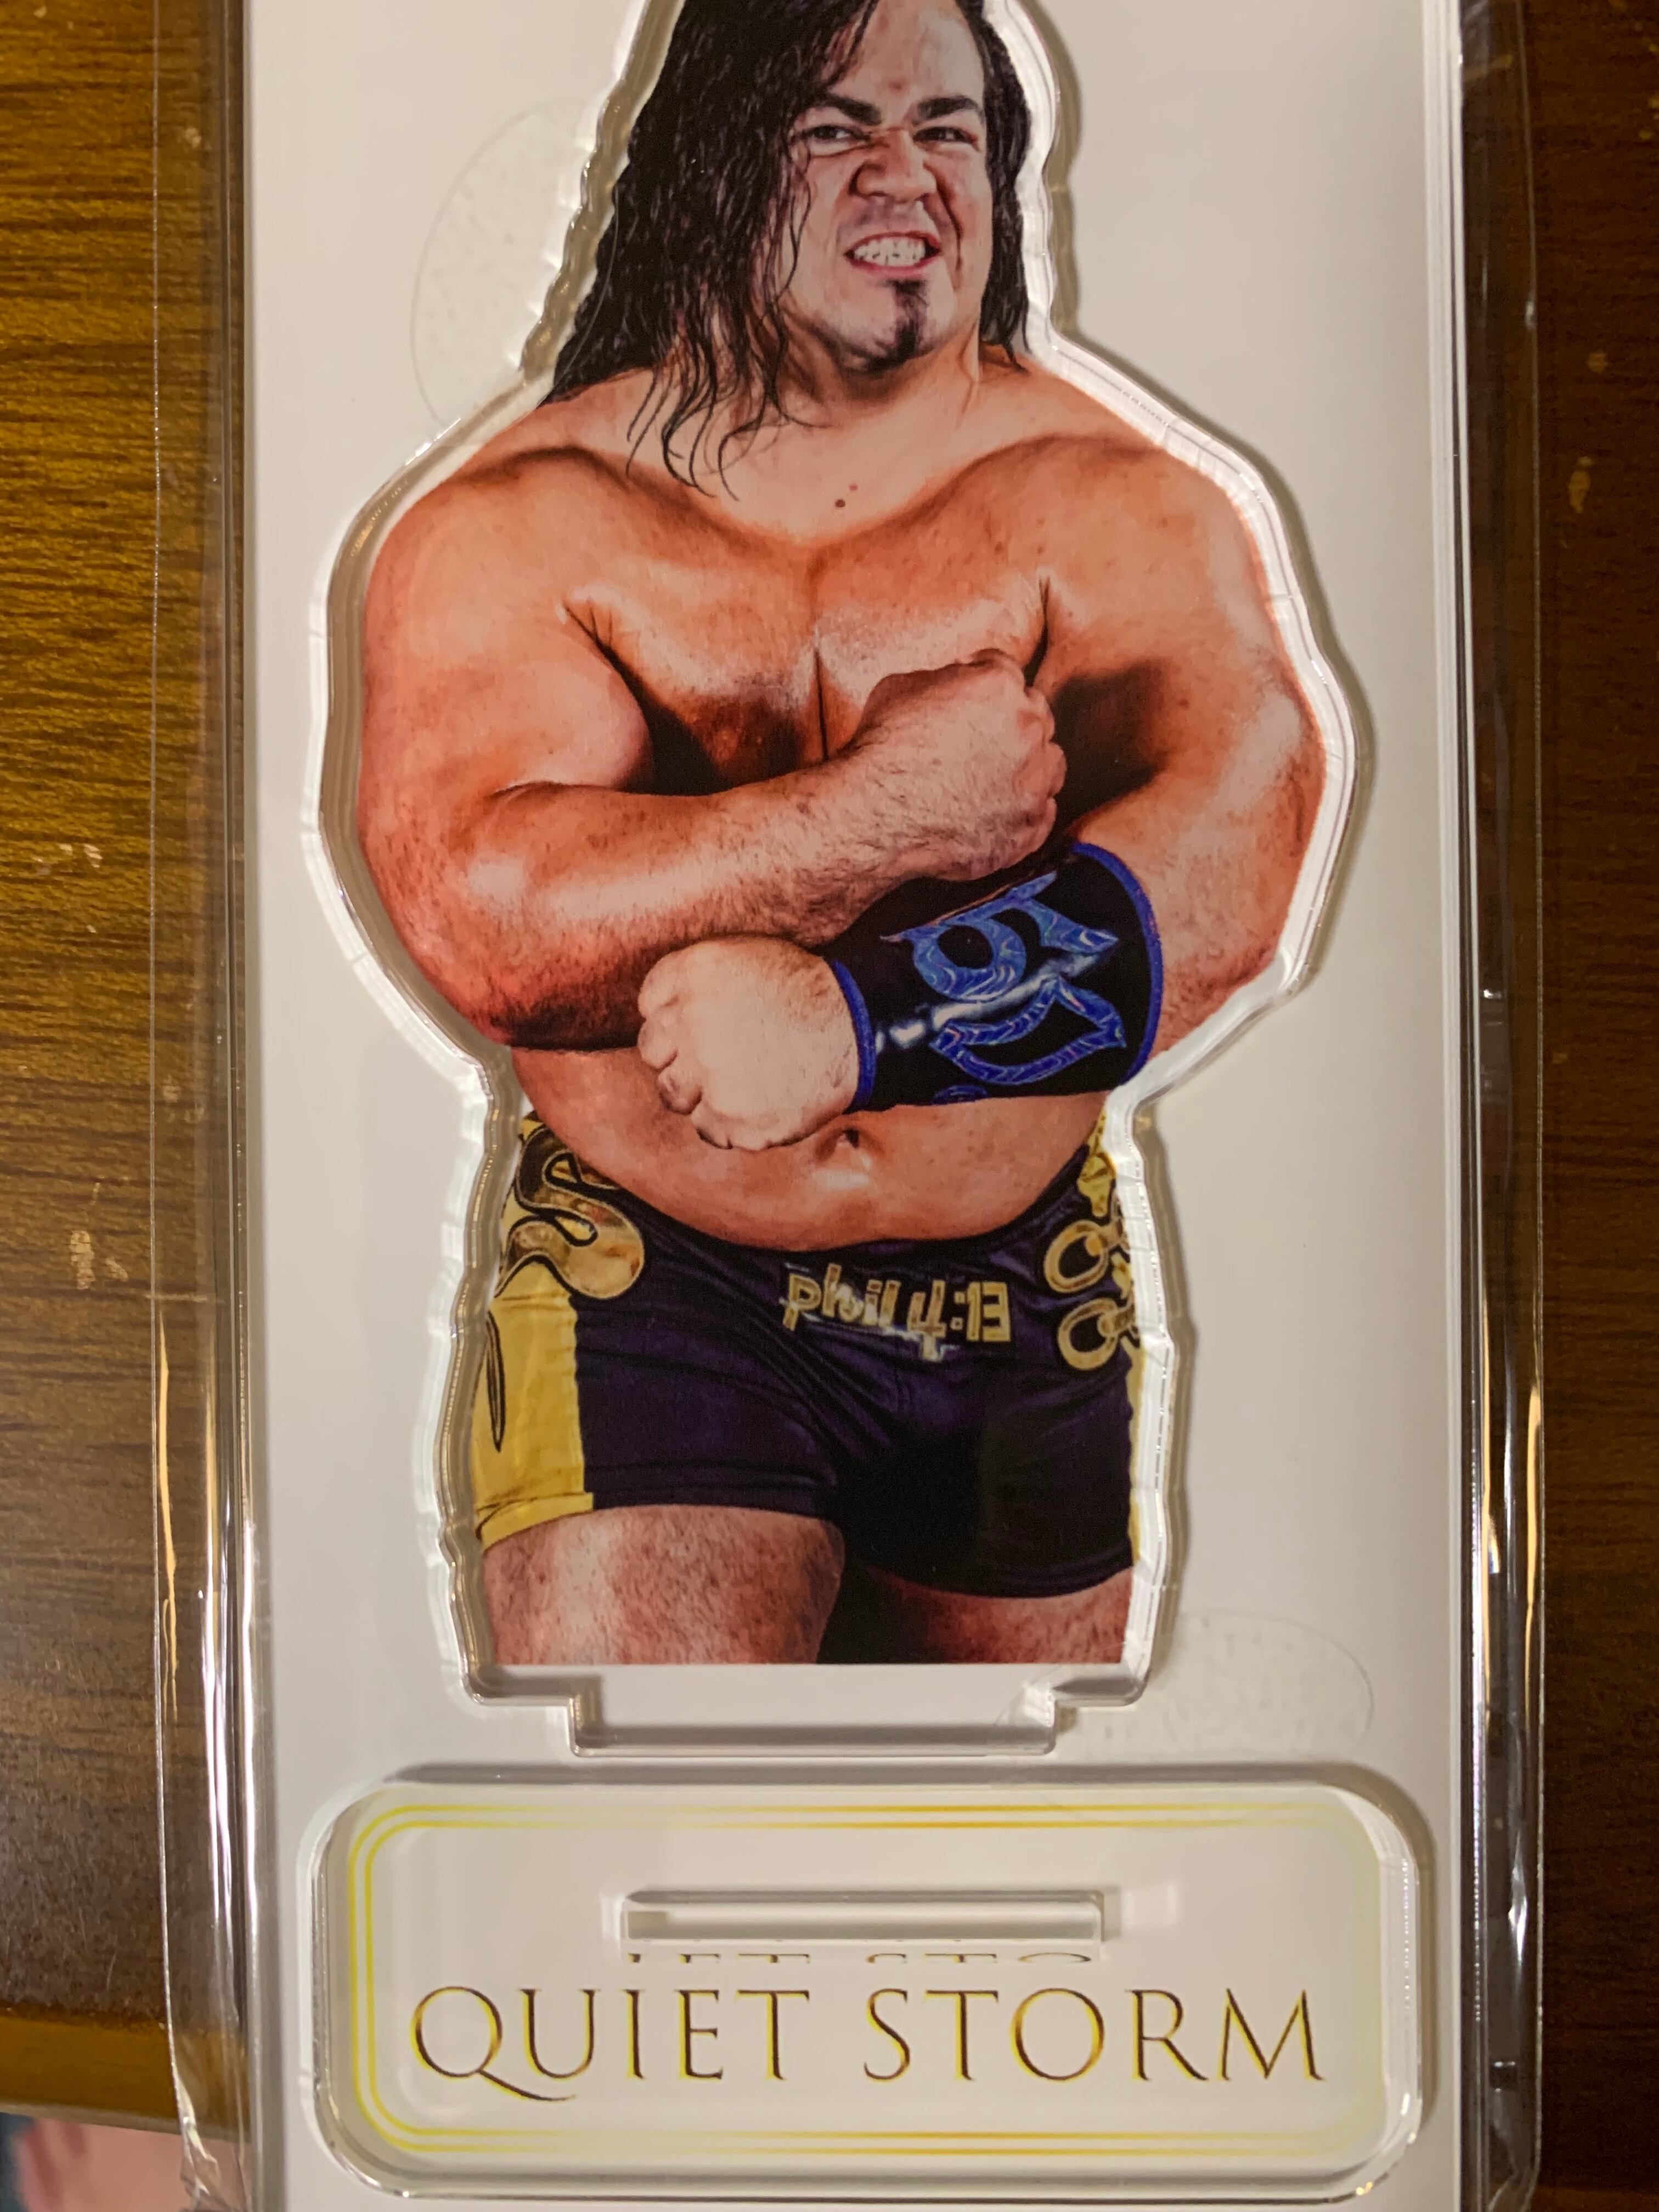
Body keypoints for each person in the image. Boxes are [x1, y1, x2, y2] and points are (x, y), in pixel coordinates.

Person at [354, 0, 1333, 1666]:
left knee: (1026, 1821)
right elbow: (490, 921)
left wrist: (864, 1023)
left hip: (1018, 1280)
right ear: (716, 163)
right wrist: (875, 819)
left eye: (947, 129)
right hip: (661, 1281)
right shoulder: (522, 524)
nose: (906, 174)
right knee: (661, 1805)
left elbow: (1237, 858)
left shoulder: (1119, 503)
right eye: (836, 128)